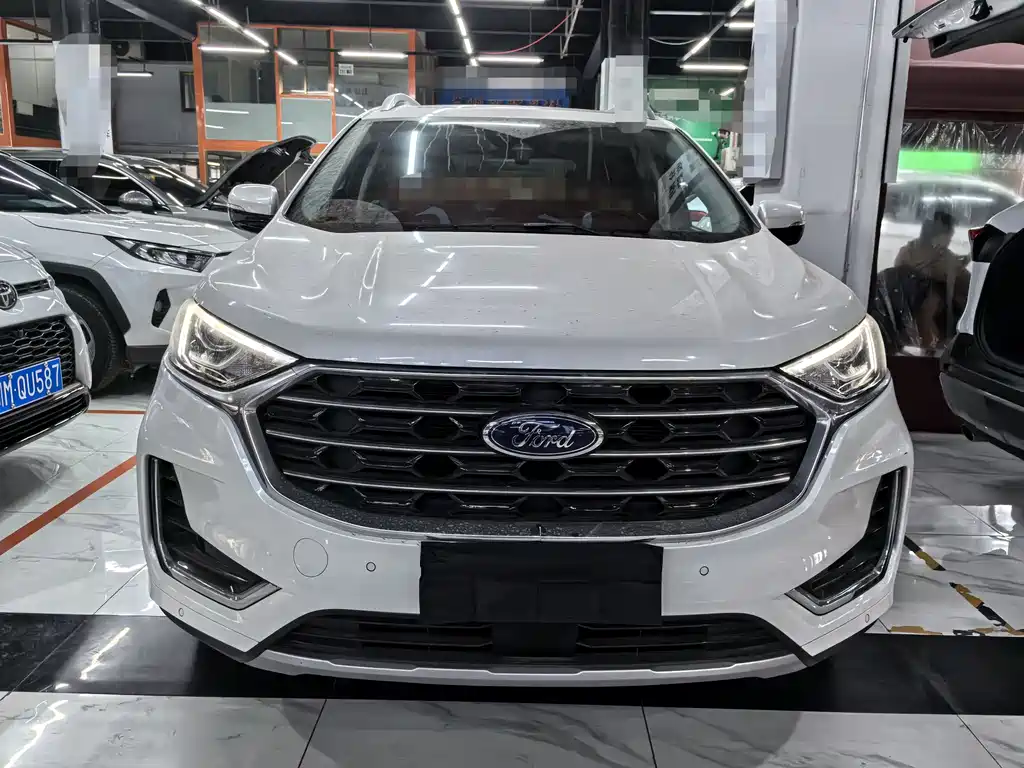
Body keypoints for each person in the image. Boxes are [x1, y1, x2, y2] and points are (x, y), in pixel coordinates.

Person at [894, 210, 970, 350]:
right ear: (938, 236)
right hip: (922, 319)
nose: (949, 241)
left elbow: (961, 275)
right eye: (949, 236)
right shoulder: (917, 255)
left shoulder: (913, 252)